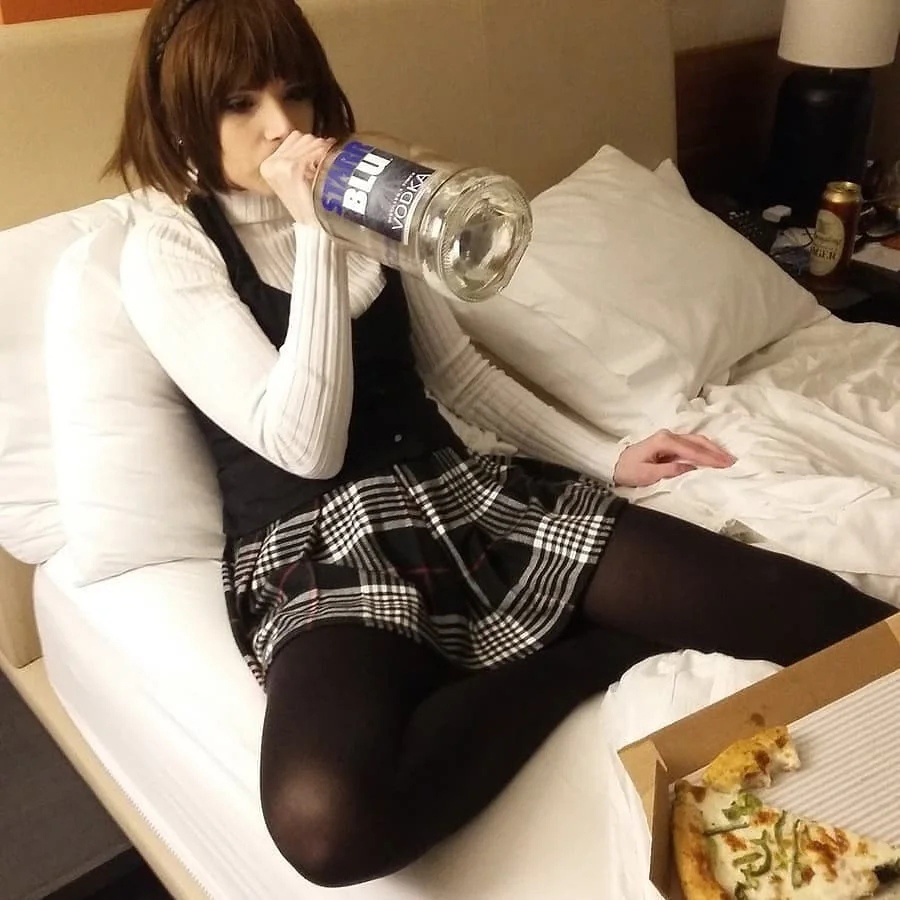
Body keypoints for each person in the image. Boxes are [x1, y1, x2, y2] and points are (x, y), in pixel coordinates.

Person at [107, 0, 896, 888]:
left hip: (458, 492)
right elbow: (306, 447)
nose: (282, 126)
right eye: (239, 104)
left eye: (296, 93)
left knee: (815, 613)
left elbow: (460, 376)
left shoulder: (373, 198)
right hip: (318, 544)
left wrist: (609, 456)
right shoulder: (167, 245)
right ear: (181, 111)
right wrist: (316, 229)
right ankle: (598, 653)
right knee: (326, 822)